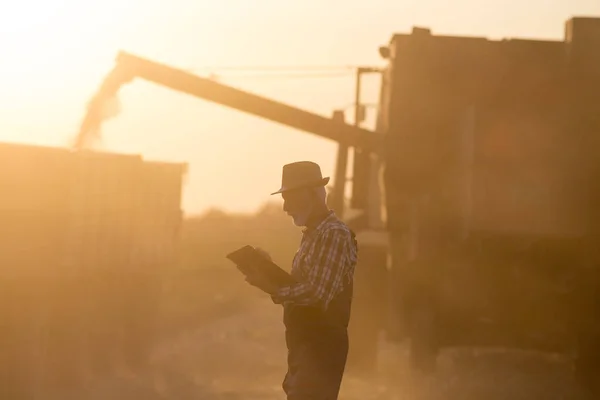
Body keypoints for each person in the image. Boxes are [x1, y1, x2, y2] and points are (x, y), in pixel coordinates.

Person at [246, 161, 358, 400]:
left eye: (290, 198)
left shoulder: (333, 234)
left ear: (311, 194)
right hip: (305, 344)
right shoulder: (314, 235)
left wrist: (272, 288)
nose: (285, 207)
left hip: (321, 345)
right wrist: (268, 272)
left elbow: (317, 294)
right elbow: (302, 288)